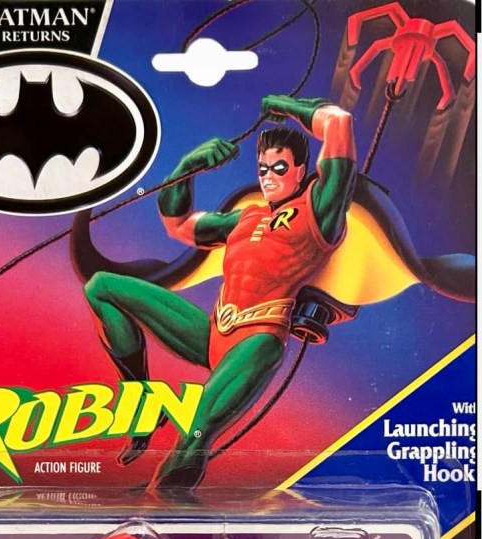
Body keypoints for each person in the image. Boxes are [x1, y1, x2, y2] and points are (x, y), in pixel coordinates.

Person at [83, 95, 356, 490]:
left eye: (280, 167)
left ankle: (170, 509)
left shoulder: (319, 211)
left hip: (258, 340)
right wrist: (187, 167)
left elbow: (339, 123)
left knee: (193, 433)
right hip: (214, 332)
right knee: (102, 287)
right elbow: (178, 224)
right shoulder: (246, 217)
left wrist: (287, 106)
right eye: (263, 168)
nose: (269, 176)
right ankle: (142, 405)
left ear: (301, 170)